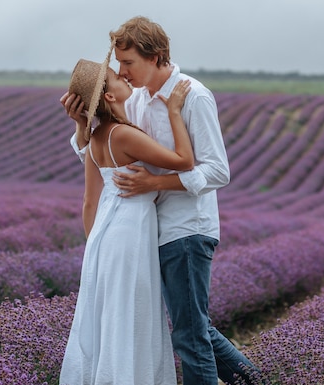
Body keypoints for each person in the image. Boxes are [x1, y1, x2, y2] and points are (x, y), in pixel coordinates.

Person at [61, 16, 259, 385]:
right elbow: (109, 160)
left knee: (188, 331)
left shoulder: (192, 96)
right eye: (119, 65)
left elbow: (218, 171)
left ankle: (254, 379)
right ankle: (255, 379)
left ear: (156, 56)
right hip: (147, 230)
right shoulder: (135, 101)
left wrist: (156, 181)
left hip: (186, 227)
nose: (122, 71)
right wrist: (81, 123)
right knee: (191, 326)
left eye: (128, 63)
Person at [58, 50, 195, 384]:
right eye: (117, 78)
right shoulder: (124, 134)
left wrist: (95, 252)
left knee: (112, 317)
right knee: (133, 316)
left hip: (104, 238)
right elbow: (185, 161)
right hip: (129, 234)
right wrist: (174, 112)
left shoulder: (93, 139)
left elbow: (90, 203)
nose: (123, 76)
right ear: (108, 95)